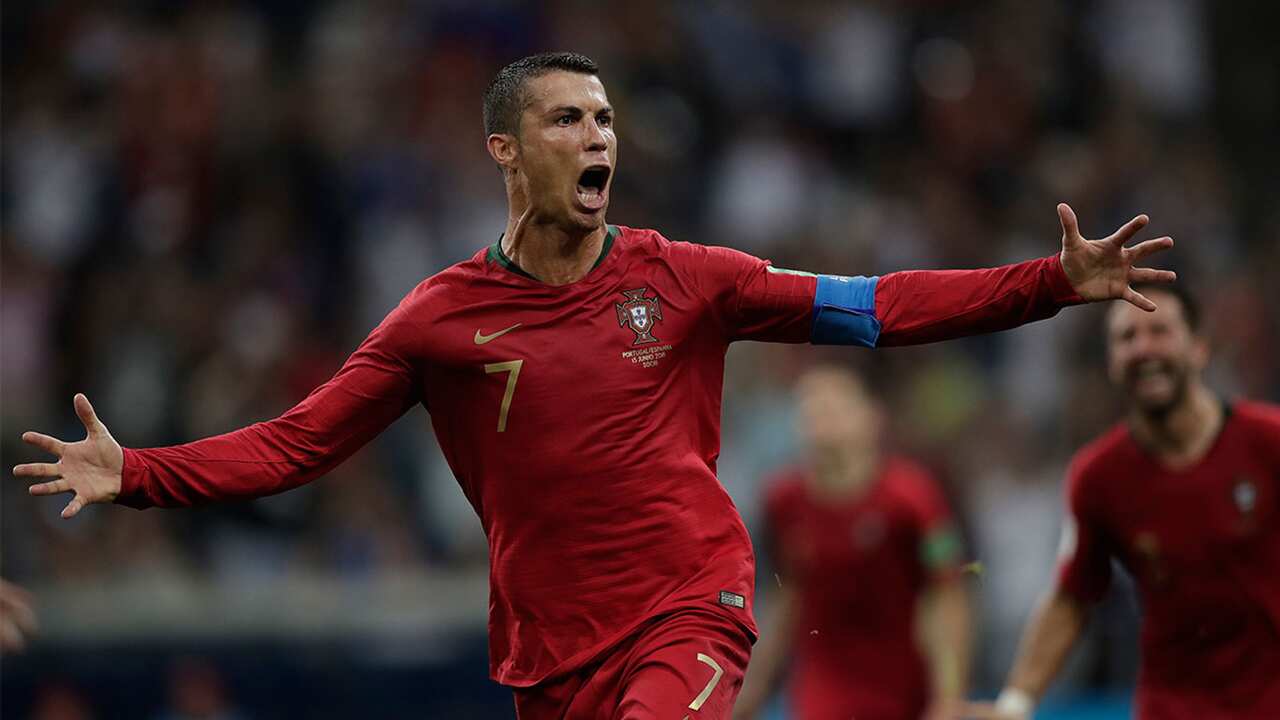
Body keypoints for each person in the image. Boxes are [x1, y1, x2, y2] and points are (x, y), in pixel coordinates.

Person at [14, 52, 1173, 718]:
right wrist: (141, 475)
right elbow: (296, 444)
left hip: (690, 608)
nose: (597, 136)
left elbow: (871, 310)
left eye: (605, 119)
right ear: (505, 150)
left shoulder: (685, 278)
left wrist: (1041, 284)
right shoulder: (440, 318)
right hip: (546, 653)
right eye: (567, 119)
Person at [961, 284, 1280, 720]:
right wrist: (1014, 704)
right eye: (1127, 337)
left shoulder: (1268, 443)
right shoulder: (1099, 476)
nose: (1143, 348)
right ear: (1111, 362)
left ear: (1200, 348)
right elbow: (1072, 596)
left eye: (1160, 331)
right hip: (1171, 709)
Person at [735, 365, 972, 720]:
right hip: (823, 686)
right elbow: (787, 594)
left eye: (835, 404)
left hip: (905, 683)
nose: (821, 416)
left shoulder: (914, 498)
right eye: (811, 407)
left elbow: (947, 594)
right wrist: (751, 690)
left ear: (872, 417)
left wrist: (949, 695)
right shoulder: (781, 501)